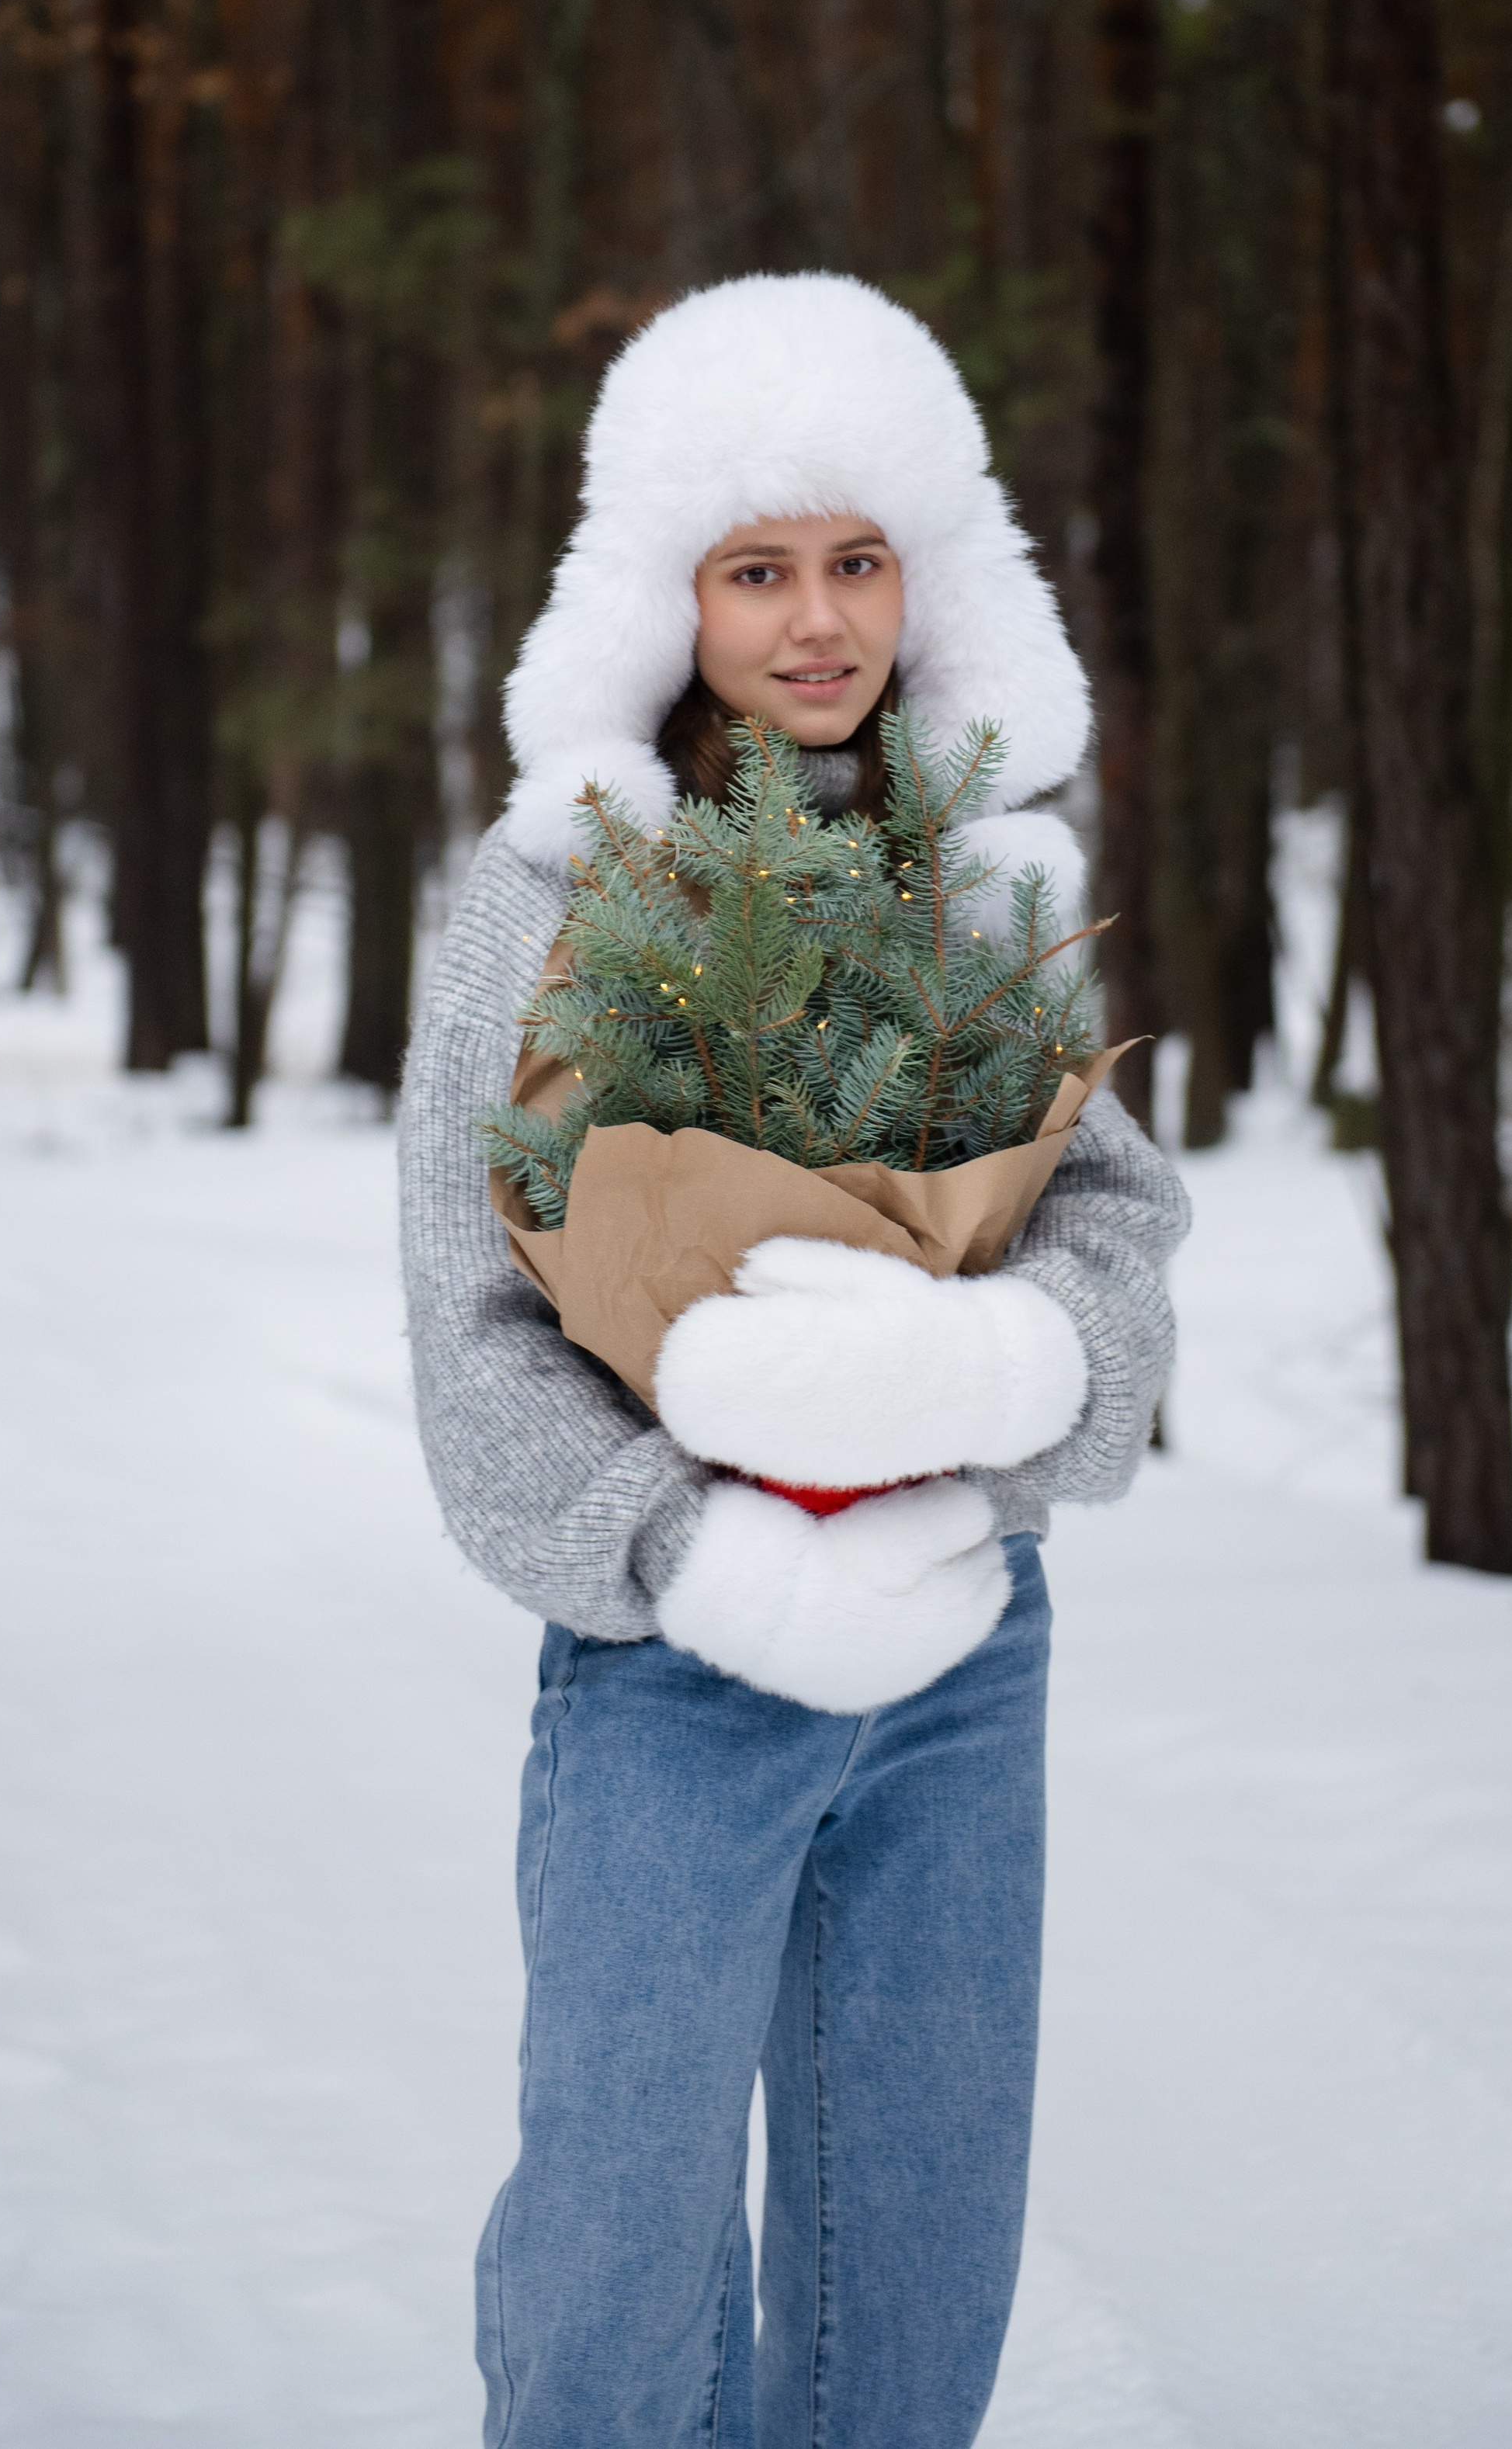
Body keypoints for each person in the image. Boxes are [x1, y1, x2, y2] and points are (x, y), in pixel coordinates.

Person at [399, 272, 1189, 2449]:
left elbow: (1114, 1224)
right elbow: (471, 1330)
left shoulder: (987, 879)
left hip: (962, 1638)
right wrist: (697, 1554)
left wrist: (1003, 1382)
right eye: (759, 568)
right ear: (672, 596)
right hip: (672, 1647)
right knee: (614, 2293)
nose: (816, 618)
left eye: (857, 559)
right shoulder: (552, 889)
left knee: (909, 2289)